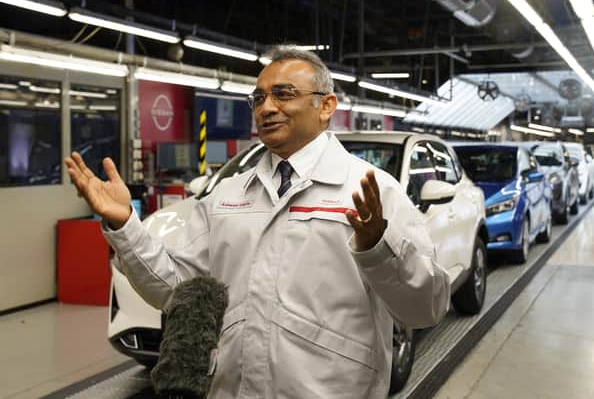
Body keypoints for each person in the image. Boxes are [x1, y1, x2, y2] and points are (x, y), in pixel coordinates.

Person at [65, 47, 450, 399]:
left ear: (326, 105)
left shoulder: (371, 190)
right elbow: (175, 288)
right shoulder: (227, 195)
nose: (266, 107)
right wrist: (125, 226)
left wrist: (378, 248)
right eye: (259, 98)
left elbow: (425, 307)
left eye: (283, 94)